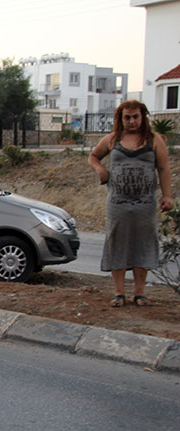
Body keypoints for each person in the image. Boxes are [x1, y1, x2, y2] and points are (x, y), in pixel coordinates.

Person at [88, 100, 173, 307]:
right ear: (121, 118)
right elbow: (93, 156)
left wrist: (168, 196)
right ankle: (119, 293)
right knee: (117, 243)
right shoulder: (112, 139)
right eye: (127, 117)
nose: (132, 121)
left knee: (142, 243)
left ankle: (139, 293)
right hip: (118, 203)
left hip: (145, 203)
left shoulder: (154, 140)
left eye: (136, 116)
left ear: (143, 117)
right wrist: (100, 170)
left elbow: (163, 169)